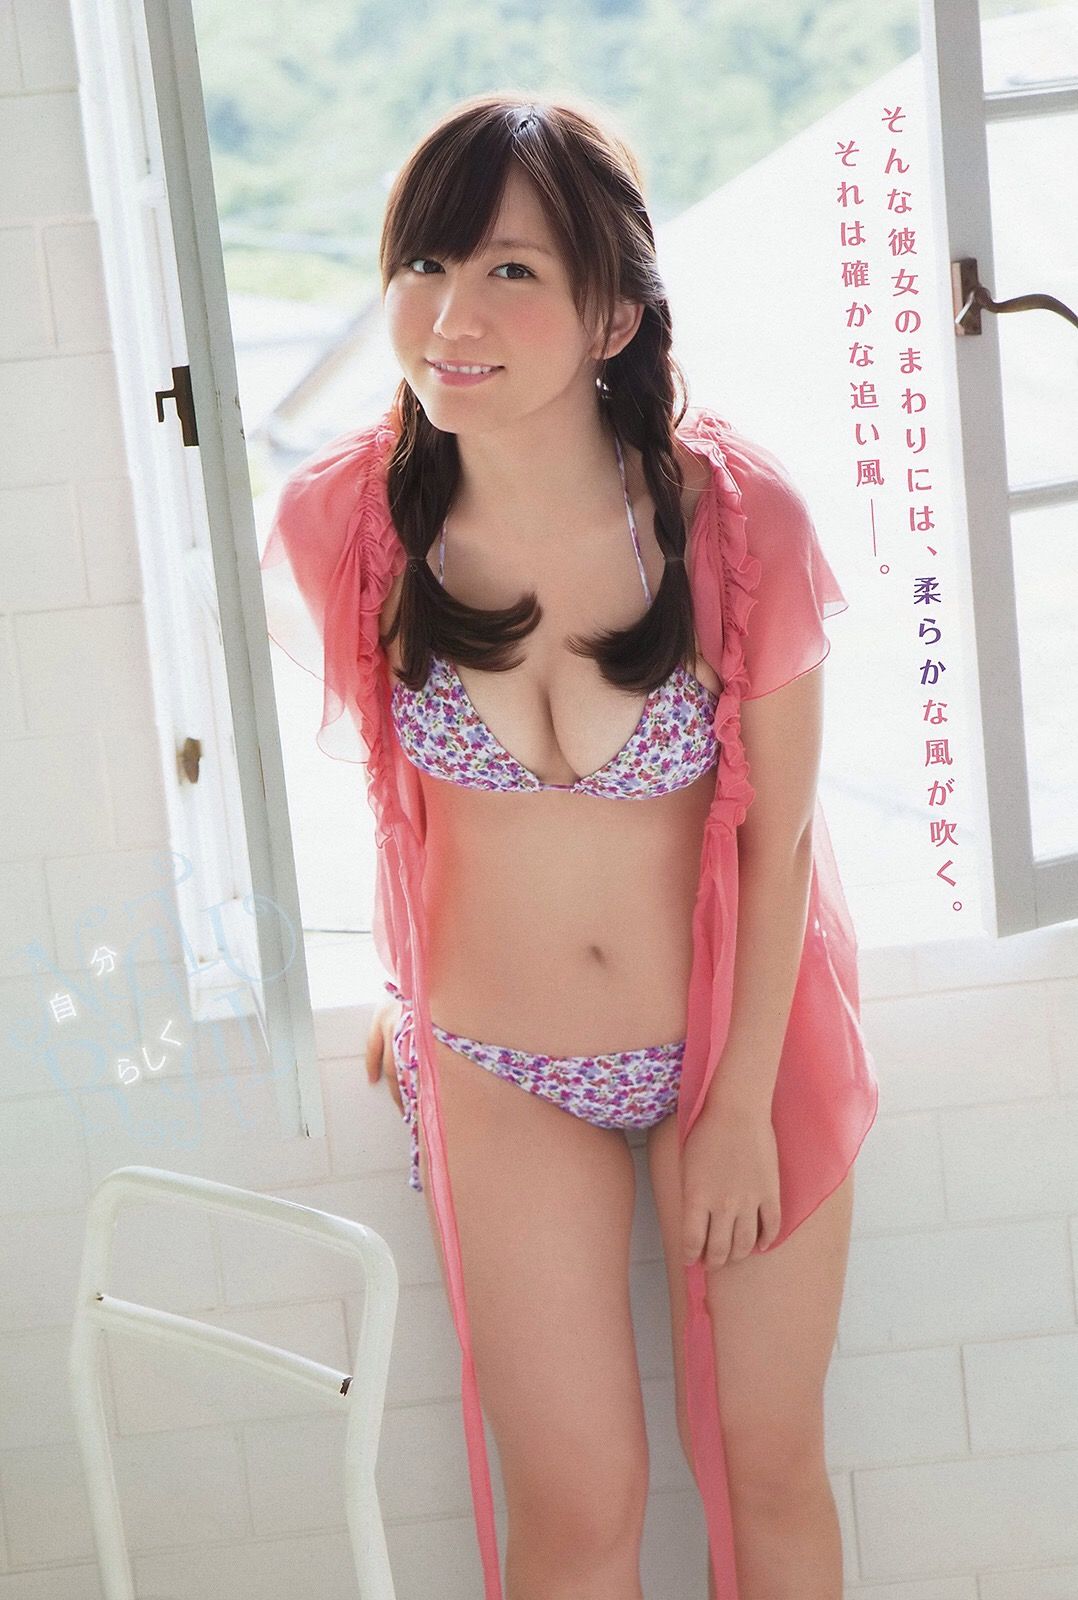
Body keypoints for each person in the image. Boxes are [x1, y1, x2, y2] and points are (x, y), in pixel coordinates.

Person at [260, 90, 879, 1600]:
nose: (449, 315)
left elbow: (785, 836)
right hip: (500, 1064)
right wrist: (407, 987)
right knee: (578, 1516)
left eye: (511, 271)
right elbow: (393, 809)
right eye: (424, 263)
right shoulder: (351, 527)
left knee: (766, 1471)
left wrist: (738, 1105)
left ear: (613, 314)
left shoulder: (732, 520)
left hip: (731, 1047)